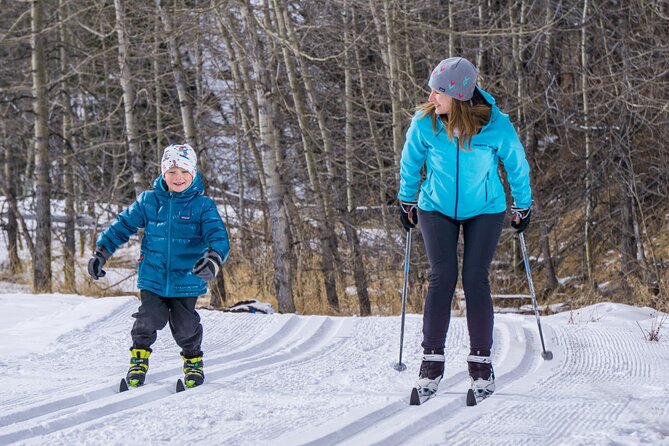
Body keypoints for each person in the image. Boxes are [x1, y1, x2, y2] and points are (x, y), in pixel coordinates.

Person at [397, 56, 532, 404]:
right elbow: (411, 161)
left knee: (475, 278)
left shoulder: (495, 125)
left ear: (457, 95)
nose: (430, 96)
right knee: (442, 276)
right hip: (436, 207)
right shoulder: (425, 122)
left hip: (485, 209)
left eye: (438, 91)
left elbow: (517, 164)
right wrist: (406, 200)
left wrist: (523, 204)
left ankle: (481, 365)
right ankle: (431, 362)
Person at [88, 144, 230, 389]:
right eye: (172, 171)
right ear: (163, 172)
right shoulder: (149, 201)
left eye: (184, 172)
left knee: (185, 327)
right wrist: (101, 252)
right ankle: (139, 359)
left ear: (193, 173)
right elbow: (122, 226)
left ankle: (193, 361)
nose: (178, 177)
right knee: (149, 318)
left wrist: (213, 259)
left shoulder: (202, 205)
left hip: (186, 279)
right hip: (152, 275)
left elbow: (217, 236)